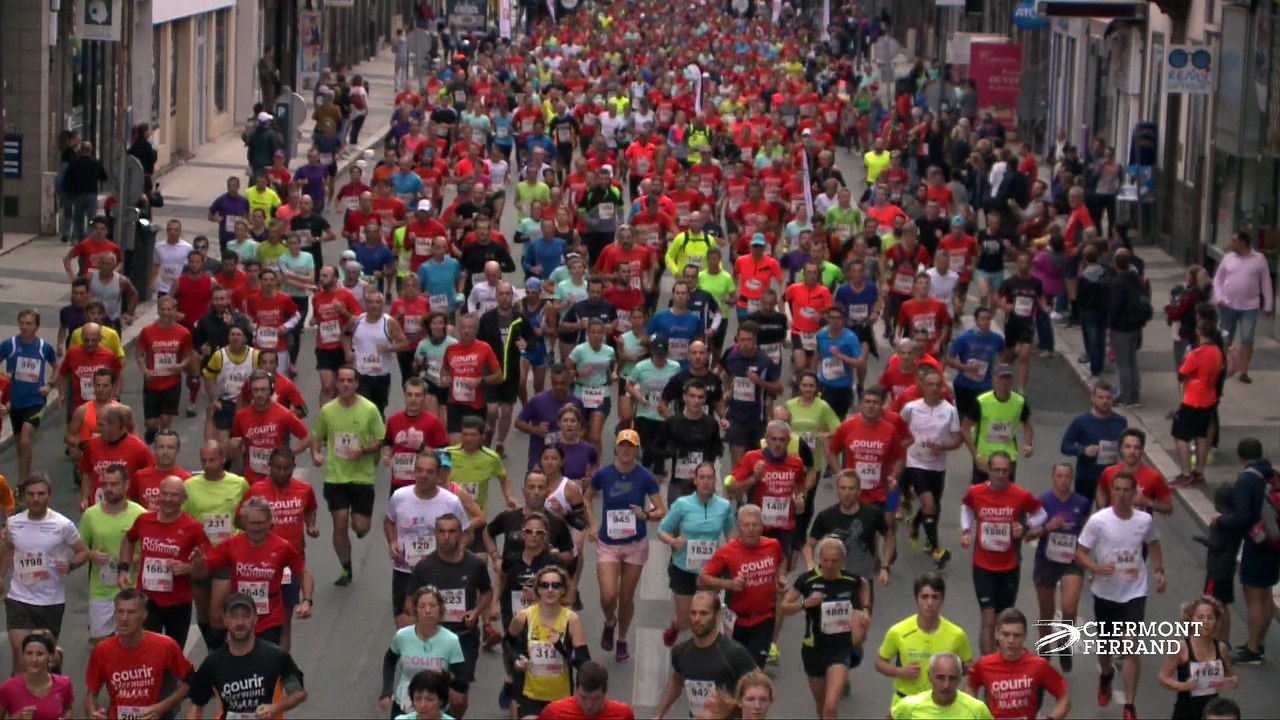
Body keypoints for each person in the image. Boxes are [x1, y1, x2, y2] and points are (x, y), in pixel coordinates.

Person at [1076, 470, 1167, 720]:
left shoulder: (1144, 521)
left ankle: (1129, 705)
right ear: (1111, 492)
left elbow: (1154, 543)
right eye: (1118, 489)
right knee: (1105, 647)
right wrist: (1095, 568)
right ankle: (1106, 674)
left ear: (1134, 491)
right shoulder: (1099, 521)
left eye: (1128, 490)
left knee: (1130, 648)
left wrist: (1158, 571)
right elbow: (1081, 552)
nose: (1123, 494)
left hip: (1135, 591)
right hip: (1105, 591)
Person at [583, 429, 667, 662]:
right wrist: (592, 525)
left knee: (626, 596)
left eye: (631, 446)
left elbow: (661, 510)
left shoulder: (644, 477)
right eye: (623, 445)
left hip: (634, 544)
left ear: (637, 449)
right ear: (616, 447)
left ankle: (621, 638)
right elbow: (587, 497)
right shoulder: (604, 474)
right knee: (608, 595)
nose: (627, 450)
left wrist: (646, 515)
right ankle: (610, 621)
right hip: (608, 543)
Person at [193, 497, 313, 647]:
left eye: (261, 523)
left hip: (270, 616)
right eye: (252, 524)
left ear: (270, 521)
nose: (257, 528)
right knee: (242, 659)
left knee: (265, 660)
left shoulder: (282, 547)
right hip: (240, 615)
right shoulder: (231, 545)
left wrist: (307, 601)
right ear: (243, 523)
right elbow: (203, 572)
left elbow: (303, 572)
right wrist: (197, 564)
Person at [405, 513, 493, 716]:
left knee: (458, 699)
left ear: (461, 534)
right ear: (435, 534)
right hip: (432, 640)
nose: (446, 537)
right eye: (441, 531)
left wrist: (476, 611)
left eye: (452, 531)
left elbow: (487, 592)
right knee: (429, 694)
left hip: (463, 639)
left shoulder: (474, 564)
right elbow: (410, 602)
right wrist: (423, 619)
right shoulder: (424, 567)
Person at [0, 475, 87, 672]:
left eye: (41, 494)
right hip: (19, 599)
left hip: (50, 601)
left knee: (42, 660)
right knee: (23, 656)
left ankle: (55, 659)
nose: (36, 499)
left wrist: (70, 565)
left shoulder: (63, 525)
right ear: (23, 497)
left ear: (49, 496)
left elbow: (83, 552)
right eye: (31, 494)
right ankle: (18, 697)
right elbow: (8, 549)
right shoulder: (13, 523)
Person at [780, 537, 872, 720]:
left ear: (842, 561)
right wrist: (805, 603)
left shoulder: (851, 580)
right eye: (825, 560)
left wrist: (865, 610)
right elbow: (783, 608)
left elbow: (865, 585)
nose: (829, 565)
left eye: (834, 561)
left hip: (841, 647)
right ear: (819, 559)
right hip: (814, 648)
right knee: (822, 707)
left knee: (831, 707)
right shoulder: (807, 580)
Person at [311, 365, 386, 587]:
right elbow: (317, 435)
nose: (345, 384)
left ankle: (359, 524)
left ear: (356, 384)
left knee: (361, 528)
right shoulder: (328, 410)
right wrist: (315, 452)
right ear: (336, 384)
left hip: (362, 477)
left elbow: (381, 440)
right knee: (340, 522)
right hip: (336, 477)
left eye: (349, 381)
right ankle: (346, 567)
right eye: (341, 380)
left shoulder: (370, 410)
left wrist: (362, 450)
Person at [118, 476, 211, 649]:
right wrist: (123, 569)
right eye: (164, 494)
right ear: (158, 495)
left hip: (178, 602)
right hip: (147, 599)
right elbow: (128, 539)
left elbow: (208, 565)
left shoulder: (193, 528)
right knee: (144, 648)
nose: (168, 499)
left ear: (184, 499)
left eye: (174, 495)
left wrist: (189, 568)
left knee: (173, 651)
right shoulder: (144, 521)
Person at [187, 592, 309, 718]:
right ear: (224, 619)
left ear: (255, 618)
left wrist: (275, 708)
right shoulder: (213, 663)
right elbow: (195, 703)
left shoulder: (276, 657)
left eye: (246, 615)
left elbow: (298, 693)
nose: (240, 622)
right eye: (233, 616)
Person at [1213, 437, 1280, 666]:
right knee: (1267, 594)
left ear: (1240, 457)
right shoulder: (1271, 474)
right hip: (1274, 541)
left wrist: (1222, 521)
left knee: (1253, 596)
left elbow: (1242, 515)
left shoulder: (1247, 480)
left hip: (1257, 542)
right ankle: (1258, 642)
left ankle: (1252, 649)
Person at [698, 505, 786, 669]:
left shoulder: (773, 545)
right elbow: (702, 579)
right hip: (736, 620)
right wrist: (728, 584)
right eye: (746, 525)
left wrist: (781, 577)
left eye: (755, 525)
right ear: (739, 527)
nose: (751, 530)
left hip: (764, 618)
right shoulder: (727, 552)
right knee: (735, 668)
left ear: (762, 526)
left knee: (754, 669)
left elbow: (781, 561)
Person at [657, 463, 735, 647]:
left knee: (706, 618)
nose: (706, 482)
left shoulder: (724, 506)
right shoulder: (682, 505)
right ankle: (676, 625)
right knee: (686, 622)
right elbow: (662, 531)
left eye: (710, 478)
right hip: (684, 568)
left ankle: (701, 656)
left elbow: (730, 535)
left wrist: (734, 553)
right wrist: (672, 541)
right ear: (695, 480)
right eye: (702, 478)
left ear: (715, 481)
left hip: (710, 570)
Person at [385, 452, 468, 625]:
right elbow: (389, 521)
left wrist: (453, 553)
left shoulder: (451, 502)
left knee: (437, 622)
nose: (423, 475)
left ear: (438, 475)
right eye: (419, 470)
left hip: (438, 570)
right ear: (413, 472)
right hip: (405, 569)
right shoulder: (400, 497)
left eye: (429, 472)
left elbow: (466, 533)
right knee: (404, 622)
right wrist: (392, 541)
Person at [84, 589, 193, 720]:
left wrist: (162, 707)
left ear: (144, 616)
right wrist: (93, 713)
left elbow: (189, 683)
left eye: (131, 612)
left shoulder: (166, 646)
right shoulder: (102, 650)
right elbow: (91, 693)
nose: (124, 618)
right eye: (120, 612)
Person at [875, 573, 973, 709]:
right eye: (925, 597)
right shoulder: (898, 631)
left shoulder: (957, 635)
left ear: (942, 600)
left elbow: (969, 668)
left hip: (942, 705)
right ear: (916, 600)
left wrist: (965, 690)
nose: (930, 603)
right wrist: (901, 672)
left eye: (935, 597)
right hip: (906, 701)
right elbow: (880, 663)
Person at [1027, 462, 1090, 673]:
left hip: (1071, 562)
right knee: (1046, 612)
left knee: (1070, 608)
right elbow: (1028, 535)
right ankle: (1045, 651)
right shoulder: (1042, 502)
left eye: (1067, 476)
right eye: (1059, 476)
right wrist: (1047, 528)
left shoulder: (1081, 502)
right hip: (1046, 562)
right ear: (1053, 477)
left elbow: (1087, 532)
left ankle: (1064, 644)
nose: (1063, 480)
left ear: (1071, 479)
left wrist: (1082, 551)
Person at [653, 591, 757, 719]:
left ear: (717, 615)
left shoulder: (734, 653)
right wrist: (658, 715)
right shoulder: (681, 652)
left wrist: (732, 706)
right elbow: (676, 681)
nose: (697, 619)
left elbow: (760, 688)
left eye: (704, 613)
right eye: (693, 613)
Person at [506, 565, 591, 718]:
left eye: (556, 585)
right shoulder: (523, 617)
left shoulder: (571, 620)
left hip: (560, 697)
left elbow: (584, 663)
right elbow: (508, 643)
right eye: (545, 585)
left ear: (563, 590)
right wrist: (516, 660)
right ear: (537, 590)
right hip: (529, 695)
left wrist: (561, 647)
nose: (550, 590)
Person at [900, 366, 964, 568]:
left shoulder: (950, 411)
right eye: (930, 384)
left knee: (933, 506)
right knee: (928, 503)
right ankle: (936, 550)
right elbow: (898, 431)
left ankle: (916, 522)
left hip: (937, 465)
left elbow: (957, 440)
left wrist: (943, 446)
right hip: (914, 461)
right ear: (922, 386)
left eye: (938, 385)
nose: (934, 388)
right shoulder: (911, 408)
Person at [78, 465, 146, 644]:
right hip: (100, 591)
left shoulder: (140, 515)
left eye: (114, 484)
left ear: (126, 485)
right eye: (105, 484)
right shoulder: (91, 515)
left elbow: (150, 550)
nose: (109, 489)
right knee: (100, 645)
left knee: (131, 642)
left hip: (131, 590)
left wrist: (131, 559)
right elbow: (79, 548)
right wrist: (91, 554)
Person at [968, 608, 1070, 720]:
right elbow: (971, 686)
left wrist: (1050, 719)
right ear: (996, 634)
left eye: (1017, 635)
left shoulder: (1039, 665)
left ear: (1025, 636)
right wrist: (975, 712)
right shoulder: (984, 665)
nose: (1011, 641)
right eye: (1006, 634)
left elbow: (1064, 699)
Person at [381, 586, 468, 717]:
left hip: (436, 710)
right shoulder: (402, 636)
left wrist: (444, 676)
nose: (427, 611)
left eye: (432, 605)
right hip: (404, 706)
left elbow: (462, 682)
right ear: (415, 611)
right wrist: (386, 691)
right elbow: (389, 660)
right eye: (422, 606)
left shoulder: (451, 640)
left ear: (441, 610)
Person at [0, 309, 62, 481]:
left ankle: (21, 484)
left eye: (29, 324)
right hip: (15, 402)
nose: (24, 327)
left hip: (35, 401)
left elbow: (57, 366)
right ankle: (26, 478)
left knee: (26, 440)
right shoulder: (10, 345)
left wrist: (49, 385)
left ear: (37, 326)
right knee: (21, 447)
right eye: (22, 323)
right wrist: (4, 379)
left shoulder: (44, 347)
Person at [1157, 596, 1238, 719]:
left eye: (1210, 618)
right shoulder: (1181, 648)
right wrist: (1183, 686)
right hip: (1186, 712)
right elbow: (1163, 678)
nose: (1206, 622)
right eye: (1200, 617)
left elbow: (1232, 676)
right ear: (1191, 620)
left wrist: (1230, 681)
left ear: (1216, 621)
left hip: (1212, 713)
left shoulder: (1221, 648)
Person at [1213, 230, 1274, 383]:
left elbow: (1266, 282)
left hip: (1250, 307)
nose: (1232, 244)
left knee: (1247, 339)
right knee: (1226, 338)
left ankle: (1244, 371)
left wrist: (1268, 305)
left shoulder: (1259, 259)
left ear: (1243, 243)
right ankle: (1221, 366)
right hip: (1228, 305)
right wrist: (1219, 298)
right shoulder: (1228, 258)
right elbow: (1218, 280)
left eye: (1234, 241)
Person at [1173, 319, 1226, 486]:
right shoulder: (1217, 351)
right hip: (1209, 399)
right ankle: (1199, 472)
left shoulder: (1196, 354)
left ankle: (1186, 472)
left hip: (1193, 399)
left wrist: (1186, 360)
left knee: (1180, 434)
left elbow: (1181, 374)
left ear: (1200, 333)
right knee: (1201, 435)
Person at [960, 365, 1033, 485]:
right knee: (981, 497)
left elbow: (1027, 424)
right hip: (985, 458)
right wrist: (976, 455)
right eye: (1002, 377)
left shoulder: (1019, 401)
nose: (1005, 381)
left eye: (1008, 378)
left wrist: (1028, 444)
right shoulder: (982, 401)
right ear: (994, 378)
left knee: (1005, 496)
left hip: (1008, 457)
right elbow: (965, 428)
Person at [136, 296, 194, 444]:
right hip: (152, 382)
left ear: (175, 311)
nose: (166, 312)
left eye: (169, 309)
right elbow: (139, 354)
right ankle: (152, 430)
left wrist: (181, 366)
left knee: (166, 418)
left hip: (172, 382)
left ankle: (163, 445)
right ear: (158, 310)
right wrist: (145, 371)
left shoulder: (183, 333)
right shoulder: (147, 331)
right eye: (163, 309)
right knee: (151, 422)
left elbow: (189, 355)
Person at [1060, 380, 1128, 501]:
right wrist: (1083, 450)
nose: (1105, 401)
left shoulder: (1120, 422)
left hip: (1111, 477)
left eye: (1108, 398)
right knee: (1083, 515)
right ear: (1093, 398)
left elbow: (1125, 445)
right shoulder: (1081, 422)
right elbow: (1065, 446)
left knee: (1108, 516)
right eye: (1100, 397)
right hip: (1086, 477)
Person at [891, 653, 993, 719]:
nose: (946, 685)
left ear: (959, 679)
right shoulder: (908, 706)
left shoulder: (977, 709)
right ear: (929, 677)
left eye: (952, 678)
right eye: (940, 678)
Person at [0, 633, 74, 719]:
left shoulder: (64, 684)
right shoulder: (8, 688)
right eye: (29, 653)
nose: (34, 659)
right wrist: (16, 718)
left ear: (49, 657)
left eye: (40, 654)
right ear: (23, 656)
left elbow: (68, 709)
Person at [538, 661, 636, 720]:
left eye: (596, 698)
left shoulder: (623, 714)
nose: (589, 705)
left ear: (605, 692)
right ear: (576, 691)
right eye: (584, 697)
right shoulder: (555, 713)